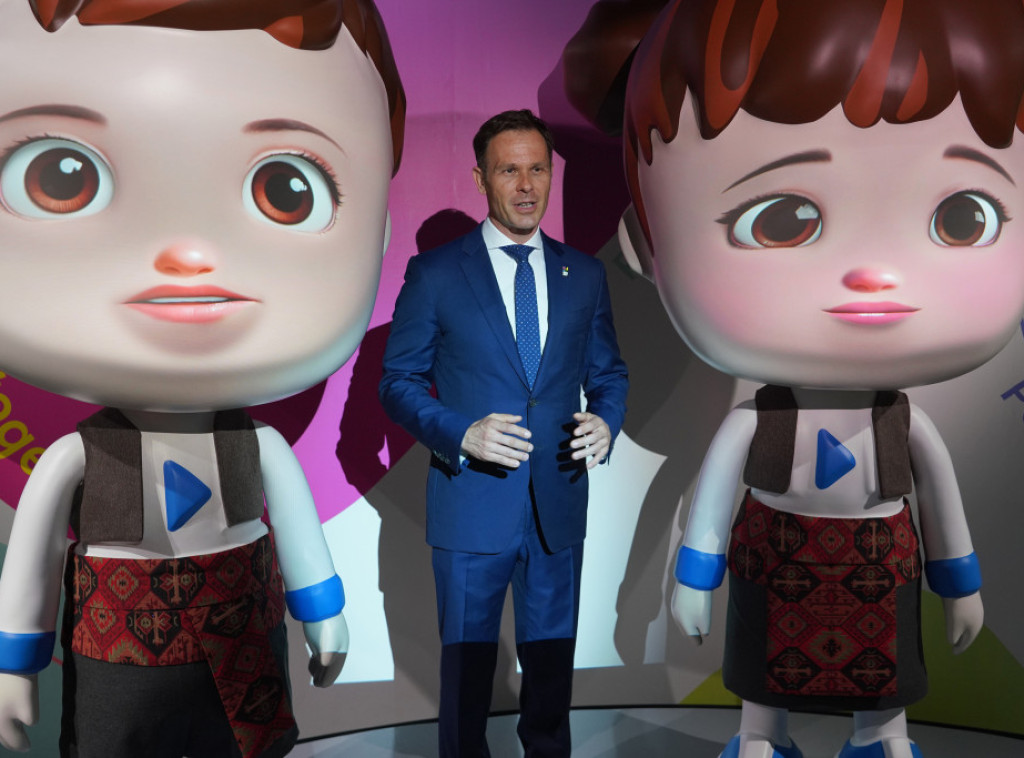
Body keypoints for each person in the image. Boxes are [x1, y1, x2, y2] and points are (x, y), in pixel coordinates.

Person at [565, 1, 1024, 757]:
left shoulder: (906, 425)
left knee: (883, 669)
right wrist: (697, 574)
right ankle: (760, 735)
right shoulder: (755, 422)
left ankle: (882, 737)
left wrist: (958, 580)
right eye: (781, 220)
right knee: (763, 662)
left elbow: (942, 503)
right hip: (775, 553)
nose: (872, 275)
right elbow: (713, 499)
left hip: (879, 562)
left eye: (963, 218)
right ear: (646, 245)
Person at [0, 0, 404, 756]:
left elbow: (300, 536)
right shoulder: (78, 457)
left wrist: (323, 611)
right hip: (118, 656)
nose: (187, 257)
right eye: (60, 177)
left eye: (287, 189)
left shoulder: (258, 447)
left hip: (242, 642)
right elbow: (35, 559)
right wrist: (13, 661)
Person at [379, 109, 628, 758]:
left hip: (557, 506)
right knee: (466, 681)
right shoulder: (436, 274)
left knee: (551, 675)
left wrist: (607, 421)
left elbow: (609, 374)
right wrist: (460, 434)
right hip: (471, 507)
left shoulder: (584, 275)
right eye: (508, 170)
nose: (525, 185)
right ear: (480, 179)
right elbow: (398, 383)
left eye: (537, 169)